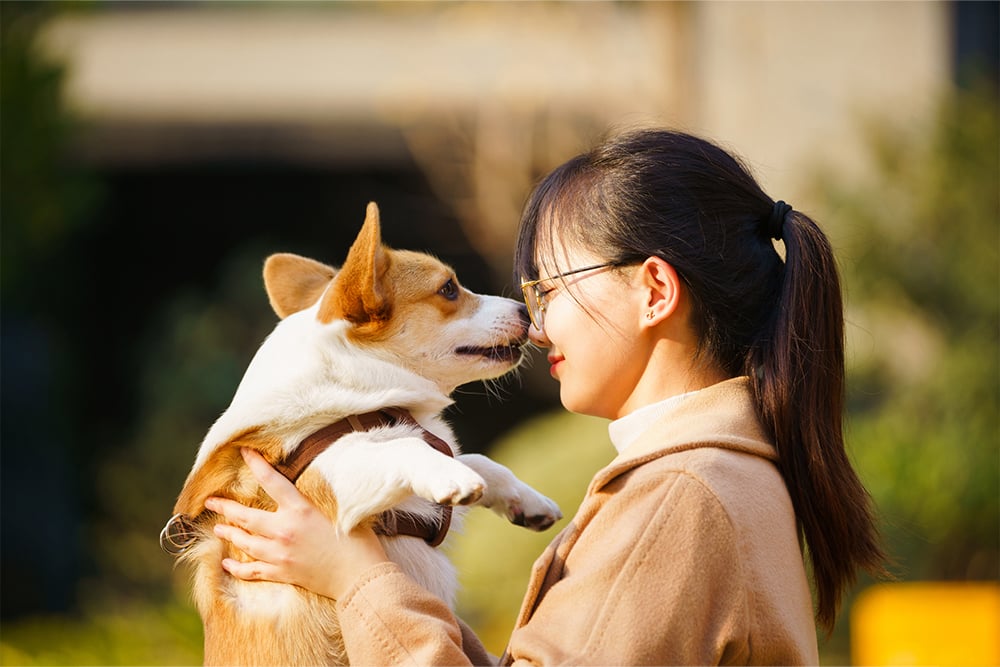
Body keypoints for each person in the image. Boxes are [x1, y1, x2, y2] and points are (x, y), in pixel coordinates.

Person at [206, 128, 886, 665]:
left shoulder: (683, 497)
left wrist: (354, 577)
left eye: (550, 288)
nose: (535, 323)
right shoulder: (706, 480)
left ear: (654, 291)